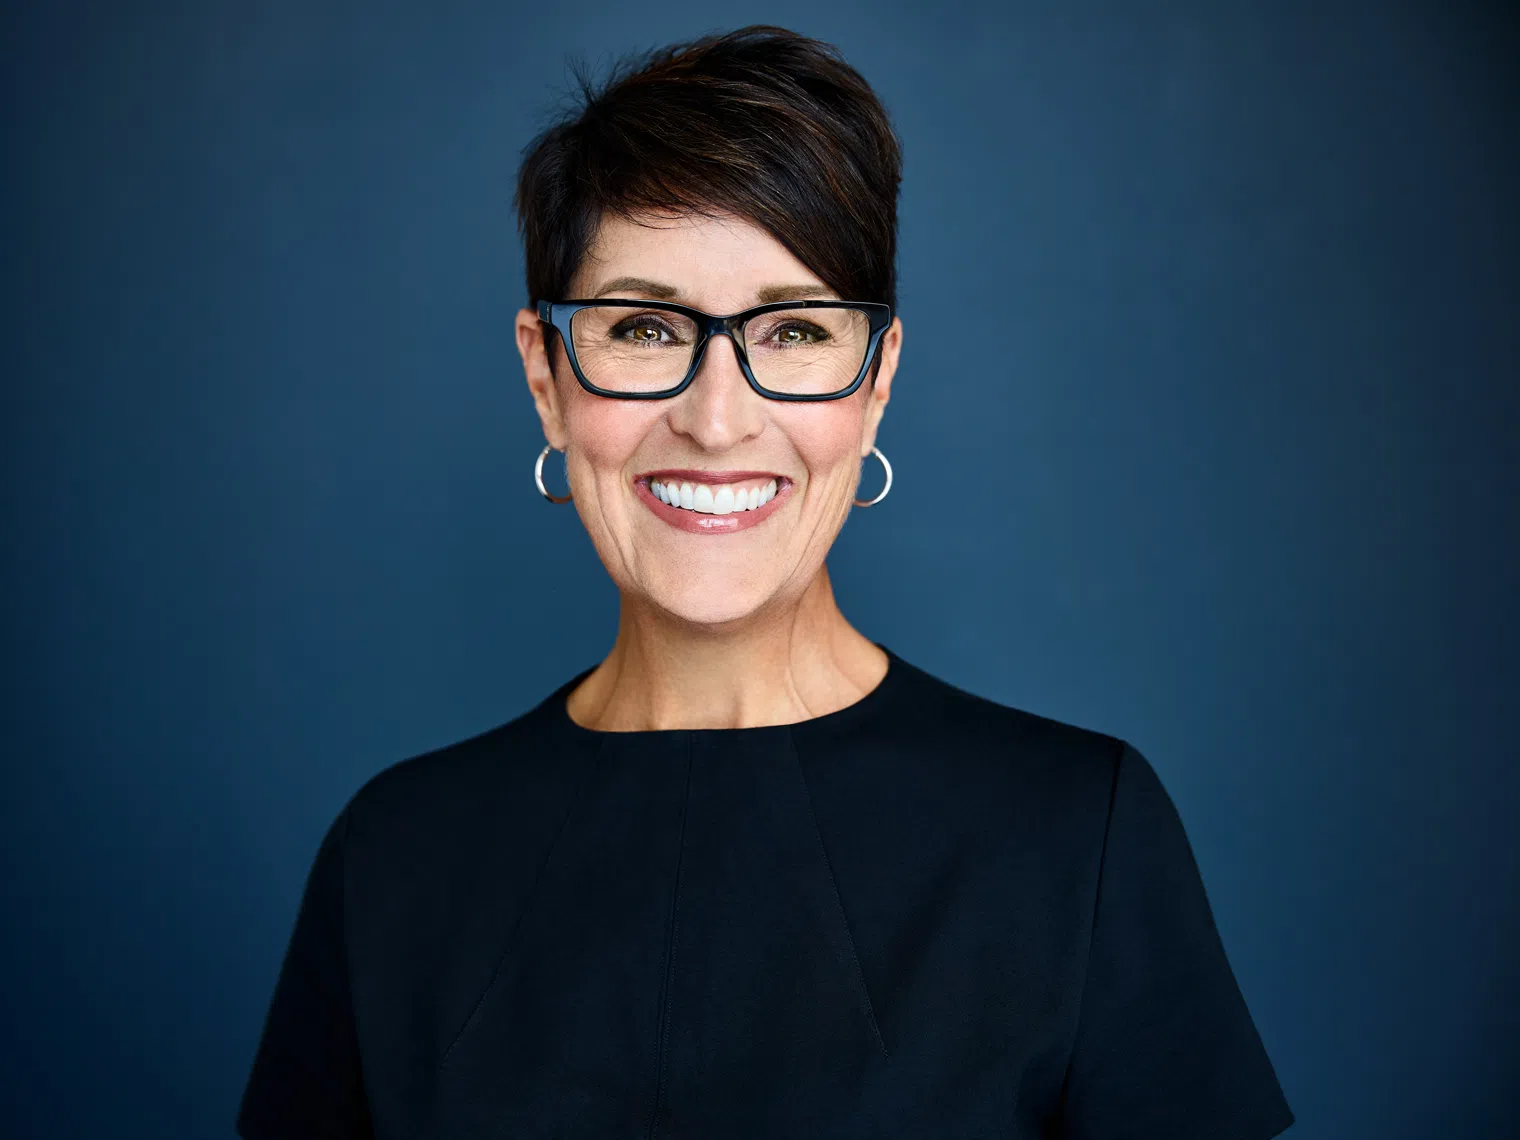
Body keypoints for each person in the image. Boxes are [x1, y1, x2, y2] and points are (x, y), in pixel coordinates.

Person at [236, 25, 1295, 1139]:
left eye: (791, 331)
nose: (716, 418)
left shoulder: (1077, 837)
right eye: (644, 328)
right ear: (544, 376)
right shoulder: (395, 858)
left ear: (875, 382)